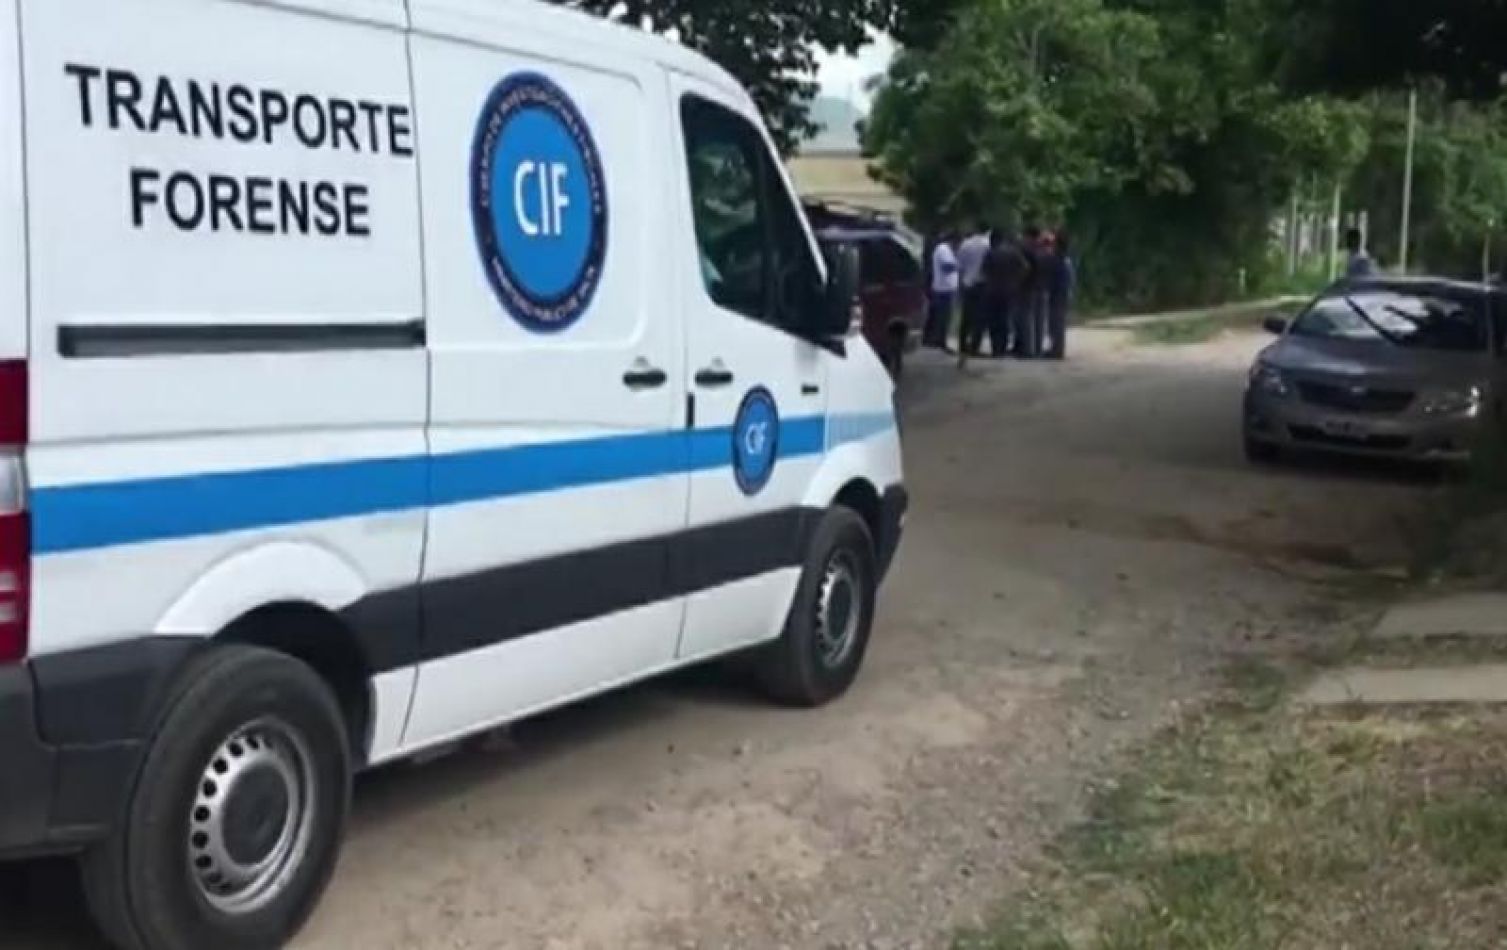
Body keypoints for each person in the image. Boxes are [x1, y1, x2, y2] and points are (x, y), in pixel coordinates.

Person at [983, 230, 1029, 358]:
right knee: (1005, 319)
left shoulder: (990, 253)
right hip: (1009, 290)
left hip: (993, 290)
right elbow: (1026, 267)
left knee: (994, 320)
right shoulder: (1013, 252)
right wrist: (1017, 280)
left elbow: (984, 270)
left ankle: (996, 348)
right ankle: (1002, 347)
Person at [956, 224, 994, 357]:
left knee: (966, 317)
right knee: (980, 318)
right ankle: (974, 347)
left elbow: (960, 265)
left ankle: (962, 345)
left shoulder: (966, 244)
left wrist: (961, 283)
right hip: (982, 283)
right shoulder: (987, 245)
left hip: (967, 283)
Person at [1045, 231, 1076, 360]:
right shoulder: (1066, 259)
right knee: (1058, 322)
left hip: (1059, 294)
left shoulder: (1058, 259)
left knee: (1056, 322)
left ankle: (1057, 350)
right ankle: (1057, 348)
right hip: (1064, 293)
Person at [927, 230, 960, 349]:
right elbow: (947, 266)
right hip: (944, 288)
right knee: (944, 317)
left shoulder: (945, 249)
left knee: (944, 316)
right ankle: (940, 341)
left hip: (945, 287)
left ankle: (939, 339)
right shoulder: (943, 249)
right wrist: (959, 265)